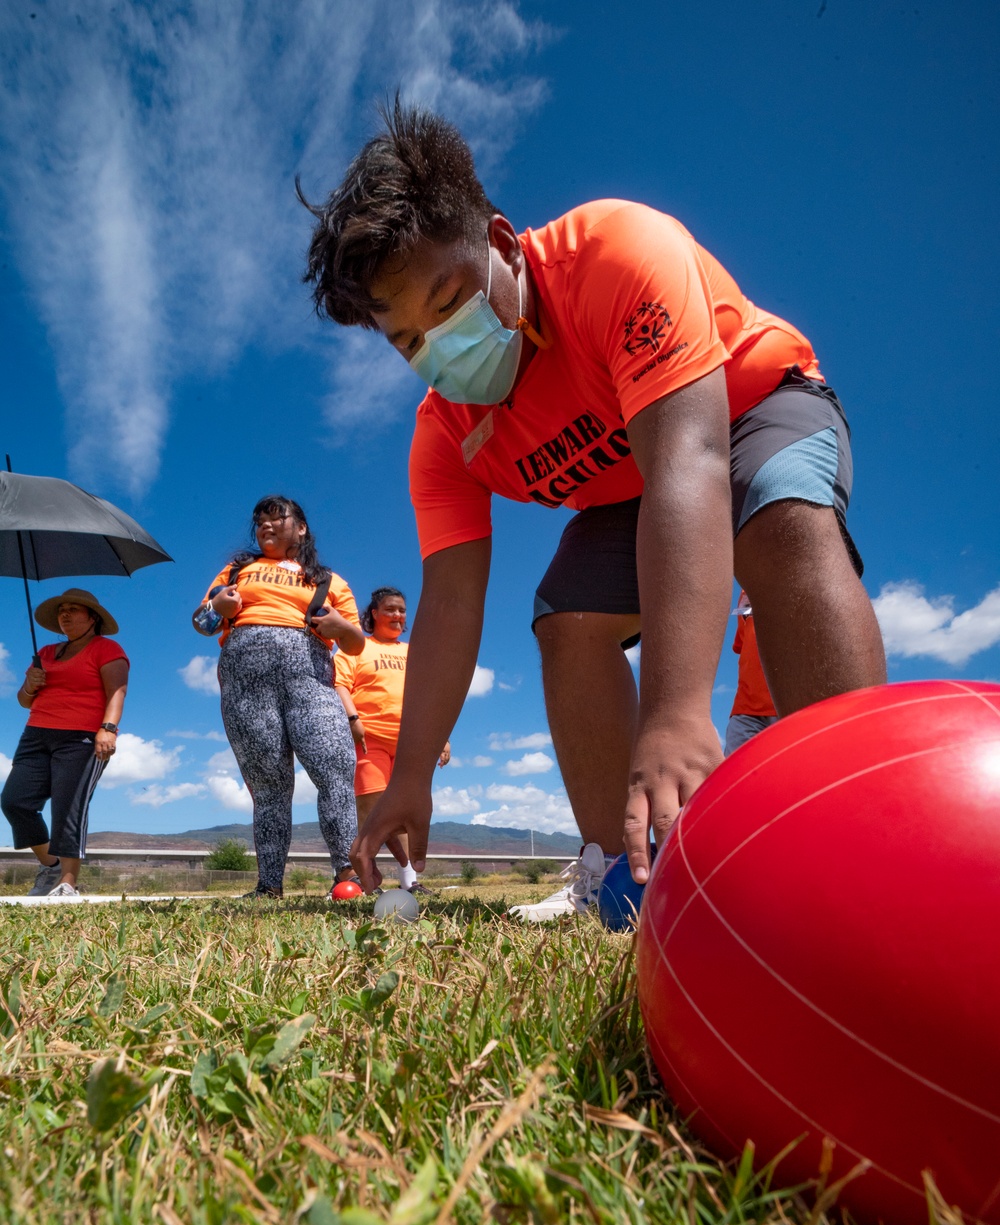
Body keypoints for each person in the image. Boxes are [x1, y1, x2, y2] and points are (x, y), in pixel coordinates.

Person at [300, 102, 886, 914]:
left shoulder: (617, 253)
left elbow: (692, 461)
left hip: (745, 410)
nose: (438, 349)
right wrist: (409, 779)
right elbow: (452, 601)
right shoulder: (443, 441)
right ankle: (629, 876)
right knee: (567, 618)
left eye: (448, 302)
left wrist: (677, 713)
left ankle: (859, 837)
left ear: (503, 244)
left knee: (779, 526)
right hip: (636, 487)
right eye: (408, 343)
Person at [198, 495, 365, 897]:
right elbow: (202, 623)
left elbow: (357, 644)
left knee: (335, 770)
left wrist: (340, 625)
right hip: (245, 677)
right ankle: (268, 885)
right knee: (269, 784)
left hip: (310, 677)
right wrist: (218, 605)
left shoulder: (330, 581)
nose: (265, 527)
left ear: (301, 527)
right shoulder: (238, 570)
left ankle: (349, 875)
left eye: (276, 518)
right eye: (259, 522)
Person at [2, 589, 128, 900]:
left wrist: (108, 729)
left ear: (93, 618)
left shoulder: (107, 649)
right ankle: (50, 866)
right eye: (62, 610)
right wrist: (29, 685)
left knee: (68, 807)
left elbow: (117, 692)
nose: (65, 615)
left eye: (74, 609)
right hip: (36, 735)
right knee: (15, 801)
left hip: (82, 737)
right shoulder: (44, 653)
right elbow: (23, 700)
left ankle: (67, 883)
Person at [334, 586, 450, 892]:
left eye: (401, 610)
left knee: (406, 810)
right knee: (373, 809)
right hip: (368, 739)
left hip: (412, 743)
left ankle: (411, 883)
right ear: (374, 614)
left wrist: (442, 736)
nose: (397, 615)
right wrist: (352, 719)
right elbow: (341, 685)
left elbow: (427, 697)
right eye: (390, 609)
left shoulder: (412, 652)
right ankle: (366, 868)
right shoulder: (355, 648)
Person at [725, 591, 778, 755]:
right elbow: (742, 644)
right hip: (746, 707)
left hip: (793, 705)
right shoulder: (745, 592)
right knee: (735, 776)